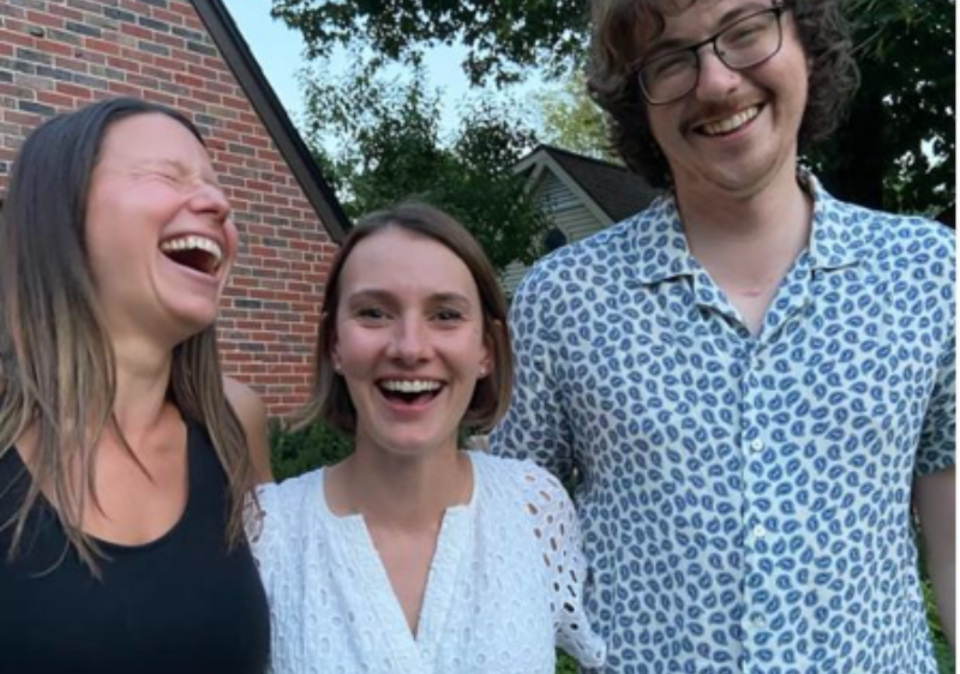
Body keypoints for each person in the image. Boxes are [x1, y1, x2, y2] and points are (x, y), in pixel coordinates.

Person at [490, 0, 955, 672]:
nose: (715, 81)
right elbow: (509, 553)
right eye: (670, 59)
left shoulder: (929, 274)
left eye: (745, 31)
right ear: (637, 100)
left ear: (805, 38)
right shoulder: (563, 300)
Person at [250, 203, 606, 673]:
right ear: (334, 344)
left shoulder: (534, 508)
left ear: (486, 349)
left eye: (445, 314)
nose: (411, 348)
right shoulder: (268, 532)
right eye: (374, 313)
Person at [0, 97, 273, 673]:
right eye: (164, 175)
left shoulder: (232, 422)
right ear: (60, 214)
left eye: (217, 186)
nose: (219, 203)